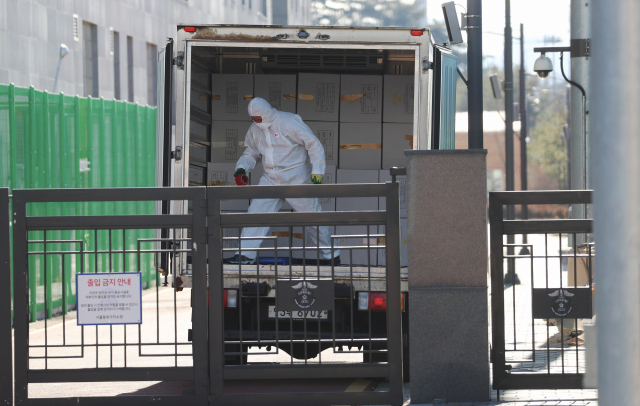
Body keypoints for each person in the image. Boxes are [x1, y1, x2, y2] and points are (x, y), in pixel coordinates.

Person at [224, 97, 341, 265]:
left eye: (259, 119)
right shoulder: (255, 129)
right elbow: (251, 152)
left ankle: (332, 256)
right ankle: (245, 255)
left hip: (296, 178)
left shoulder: (288, 121)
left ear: (266, 113)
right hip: (270, 178)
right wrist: (242, 168)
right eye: (254, 120)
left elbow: (313, 144)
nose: (257, 122)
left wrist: (317, 171)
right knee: (255, 214)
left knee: (313, 218)